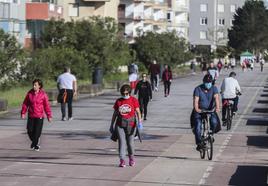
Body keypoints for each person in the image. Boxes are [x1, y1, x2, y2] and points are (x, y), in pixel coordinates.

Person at [110, 84, 142, 167]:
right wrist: (111, 125)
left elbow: (138, 112)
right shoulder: (118, 101)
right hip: (120, 124)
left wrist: (140, 122)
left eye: (126, 94)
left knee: (130, 143)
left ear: (129, 93)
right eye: (123, 94)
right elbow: (115, 114)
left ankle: (131, 158)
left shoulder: (133, 100)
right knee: (122, 142)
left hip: (131, 125)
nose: (125, 95)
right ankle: (122, 160)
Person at [21, 79, 52, 151]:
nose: (34, 86)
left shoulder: (43, 94)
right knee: (29, 131)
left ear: (39, 86)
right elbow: (25, 103)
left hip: (39, 116)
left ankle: (35, 144)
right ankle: (35, 142)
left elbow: (47, 106)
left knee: (37, 132)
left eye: (35, 85)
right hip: (31, 115)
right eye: (33, 85)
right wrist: (23, 112)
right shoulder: (30, 93)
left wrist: (49, 116)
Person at [192, 74, 220, 151]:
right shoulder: (198, 89)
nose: (208, 83)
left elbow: (216, 98)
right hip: (200, 111)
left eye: (210, 82)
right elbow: (196, 100)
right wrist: (197, 109)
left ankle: (211, 135)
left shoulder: (214, 88)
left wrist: (217, 108)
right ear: (203, 82)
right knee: (198, 126)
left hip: (211, 110)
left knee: (214, 122)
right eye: (206, 82)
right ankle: (199, 143)